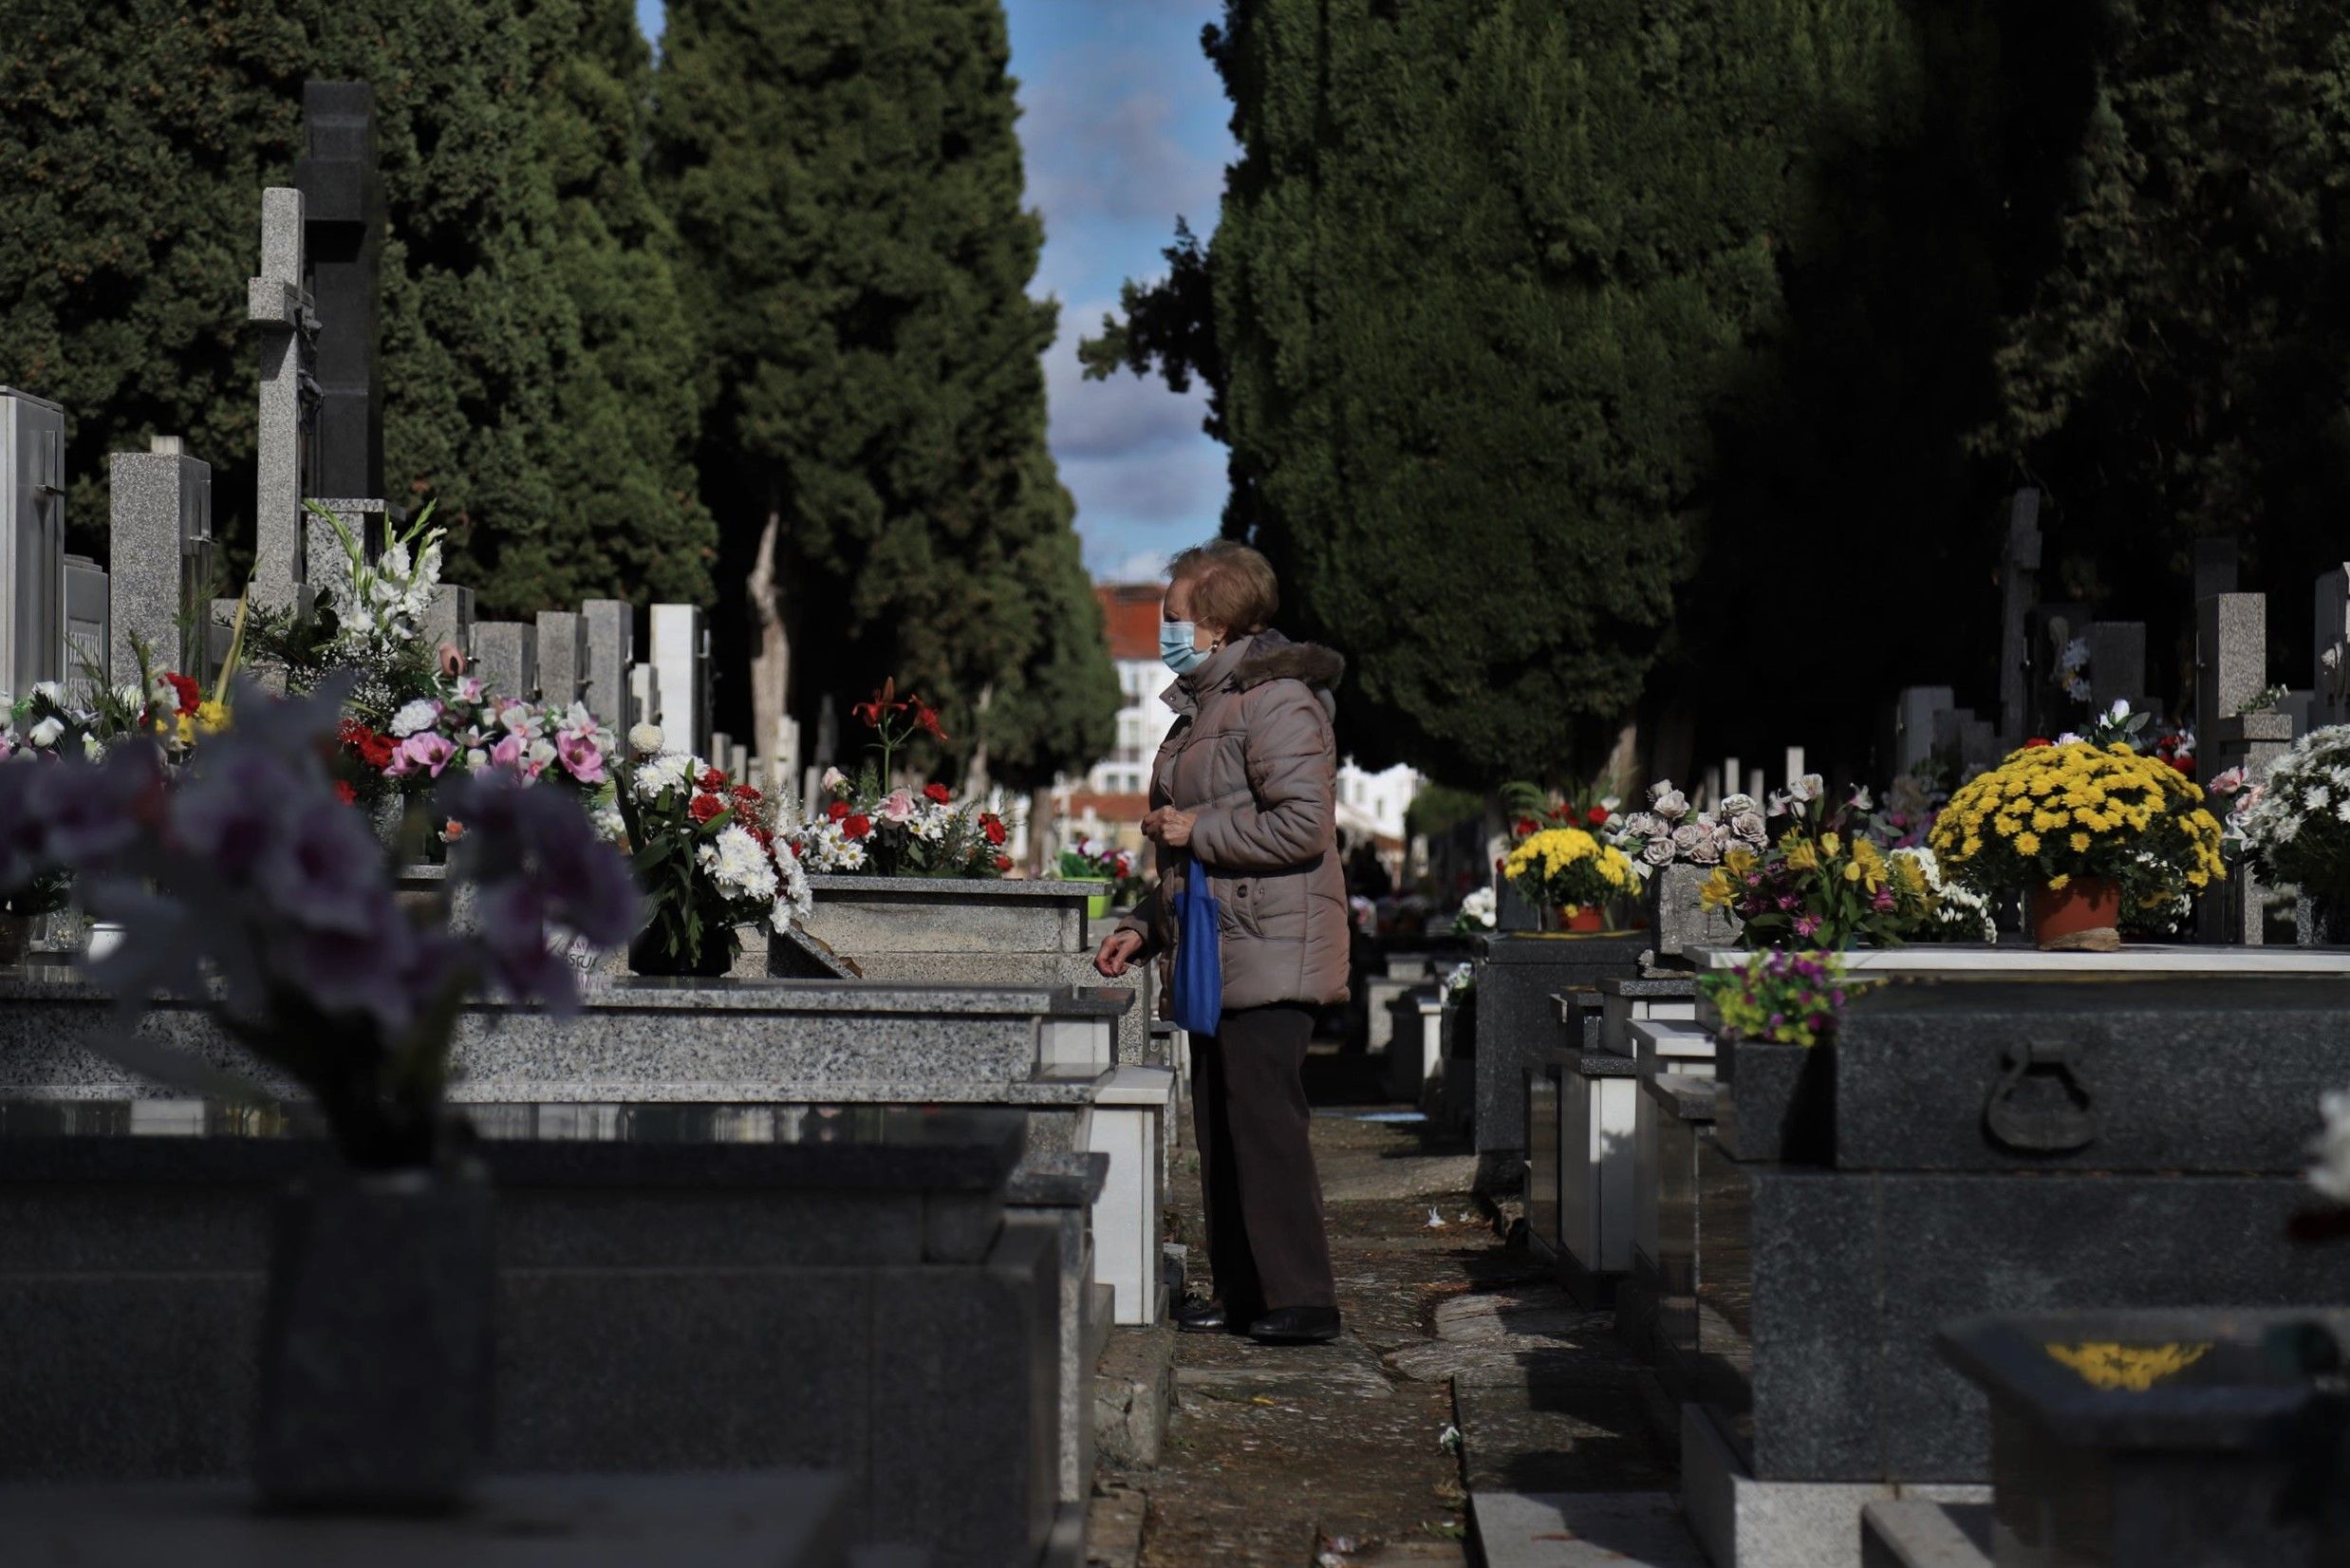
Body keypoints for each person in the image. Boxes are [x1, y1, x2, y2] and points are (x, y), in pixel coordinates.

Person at [1092, 541, 1350, 1345]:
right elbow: (1187, 853)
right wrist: (1142, 925)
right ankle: (1245, 1294)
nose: (1166, 629)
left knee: (1266, 1126)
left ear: (1216, 622)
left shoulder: (1277, 702)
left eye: (1173, 617)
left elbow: (1302, 826)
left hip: (1271, 946)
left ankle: (1303, 1299)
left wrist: (1198, 824)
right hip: (1215, 942)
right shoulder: (1206, 705)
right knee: (1223, 1125)